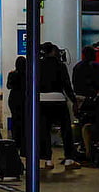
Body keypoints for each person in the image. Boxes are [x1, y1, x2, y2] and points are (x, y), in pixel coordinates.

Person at [36, 42, 80, 170]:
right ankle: (69, 159)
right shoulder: (60, 66)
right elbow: (67, 86)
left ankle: (48, 161)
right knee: (66, 130)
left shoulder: (38, 65)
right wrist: (74, 101)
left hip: (42, 100)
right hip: (58, 100)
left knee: (44, 131)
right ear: (53, 52)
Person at [6, 56, 28, 152]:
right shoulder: (28, 75)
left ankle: (16, 141)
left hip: (14, 98)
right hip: (24, 98)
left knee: (15, 119)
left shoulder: (12, 74)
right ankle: (24, 141)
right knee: (24, 120)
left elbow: (8, 86)